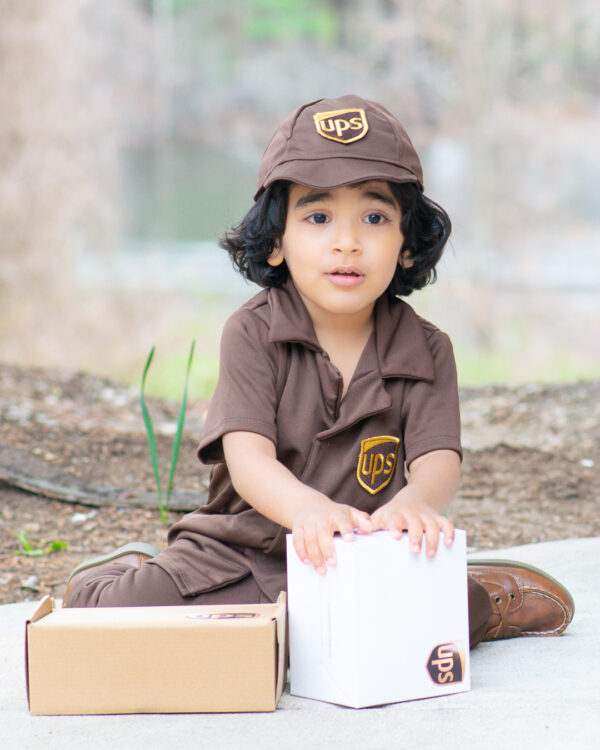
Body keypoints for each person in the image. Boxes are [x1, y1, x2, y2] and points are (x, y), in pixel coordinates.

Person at [64, 95, 574, 647]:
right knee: (112, 616)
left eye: (375, 217)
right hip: (244, 552)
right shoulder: (253, 331)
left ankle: (487, 598)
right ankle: (130, 572)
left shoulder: (427, 348)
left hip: (359, 559)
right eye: (318, 216)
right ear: (277, 240)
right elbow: (247, 456)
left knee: (444, 617)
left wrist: (415, 502)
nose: (347, 241)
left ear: (407, 245)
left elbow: (438, 457)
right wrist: (306, 508)